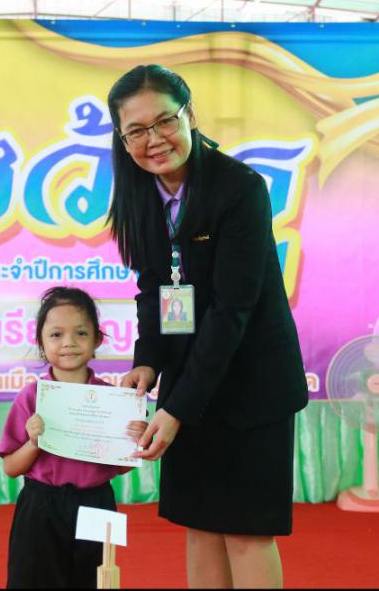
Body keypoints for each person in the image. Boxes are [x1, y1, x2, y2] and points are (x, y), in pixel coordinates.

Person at [107, 65, 309, 588]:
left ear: (190, 115)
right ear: (122, 139)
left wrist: (176, 409)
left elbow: (231, 308)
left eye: (164, 121)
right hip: (189, 384)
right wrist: (148, 362)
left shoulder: (240, 188)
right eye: (136, 130)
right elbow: (154, 288)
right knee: (199, 527)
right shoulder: (139, 193)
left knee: (245, 533)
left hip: (251, 386)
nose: (154, 140)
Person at [0, 286, 147, 589]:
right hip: (41, 507)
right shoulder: (31, 397)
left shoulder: (114, 400)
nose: (68, 342)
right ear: (40, 342)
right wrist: (33, 443)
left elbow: (120, 467)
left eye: (80, 333)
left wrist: (134, 443)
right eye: (56, 334)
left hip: (96, 503)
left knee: (94, 580)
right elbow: (11, 467)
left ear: (97, 340)